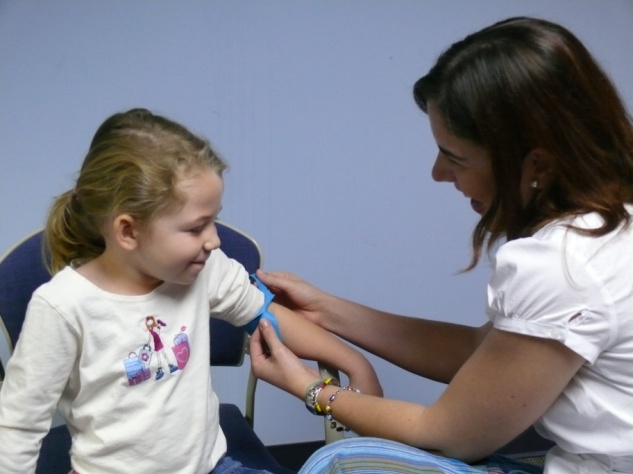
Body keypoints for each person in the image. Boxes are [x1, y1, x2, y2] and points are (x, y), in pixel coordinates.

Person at [248, 17, 633, 474]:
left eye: (454, 157)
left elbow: (448, 434)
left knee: (340, 464)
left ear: (539, 164)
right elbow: (481, 351)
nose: (437, 173)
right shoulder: (611, 225)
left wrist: (312, 389)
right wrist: (328, 311)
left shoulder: (565, 264)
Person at [0, 108, 382, 474]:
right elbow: (18, 426)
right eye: (197, 227)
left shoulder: (204, 269)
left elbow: (266, 317)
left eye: (214, 221)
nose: (214, 240)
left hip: (213, 467)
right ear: (129, 231)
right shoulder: (63, 307)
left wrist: (353, 362)